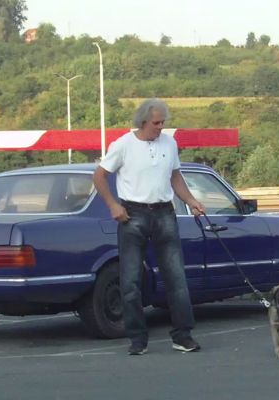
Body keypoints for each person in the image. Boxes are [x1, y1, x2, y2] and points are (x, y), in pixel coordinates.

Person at [93, 98, 205, 356]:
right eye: (156, 123)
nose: (160, 127)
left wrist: (191, 201)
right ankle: (137, 338)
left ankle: (183, 335)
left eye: (163, 122)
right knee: (131, 280)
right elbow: (99, 176)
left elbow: (175, 176)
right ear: (143, 121)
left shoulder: (169, 143)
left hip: (165, 212)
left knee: (176, 277)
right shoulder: (123, 145)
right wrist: (113, 205)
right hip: (133, 215)